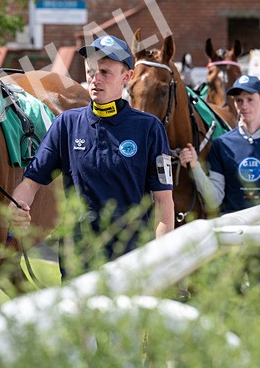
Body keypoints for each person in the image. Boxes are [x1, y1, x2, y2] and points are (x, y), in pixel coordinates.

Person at [11, 35, 174, 278]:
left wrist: (163, 259)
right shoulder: (66, 124)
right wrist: (17, 206)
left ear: (126, 77)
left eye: (105, 72)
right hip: (78, 260)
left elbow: (163, 202)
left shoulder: (149, 128)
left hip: (131, 261)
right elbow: (30, 183)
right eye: (91, 71)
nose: (94, 79)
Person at [179, 75, 260, 214]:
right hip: (234, 229)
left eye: (250, 99)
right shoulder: (221, 145)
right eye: (239, 100)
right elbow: (214, 200)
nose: (244, 106)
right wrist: (195, 167)